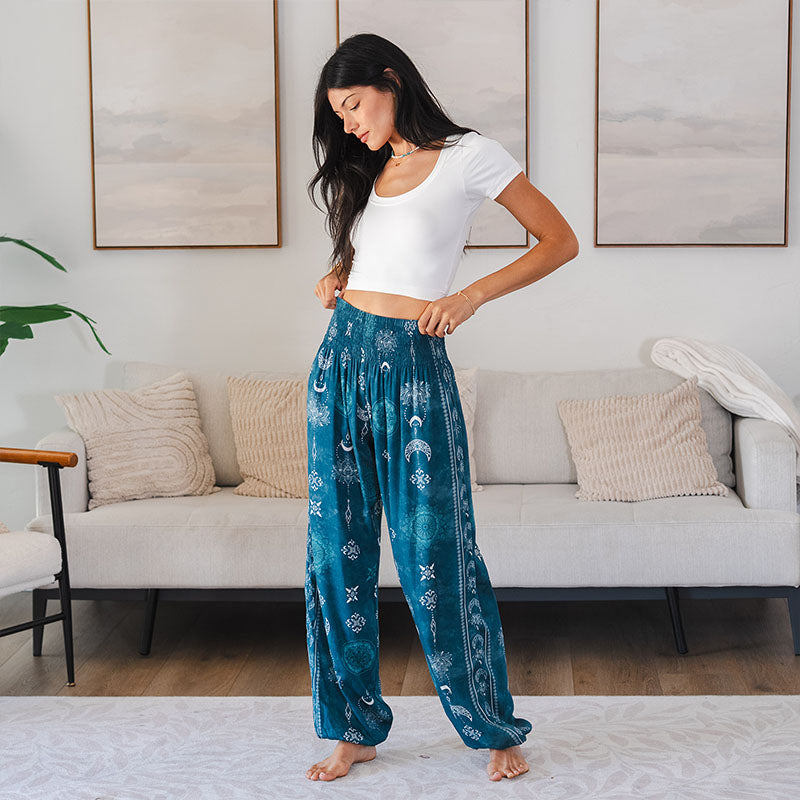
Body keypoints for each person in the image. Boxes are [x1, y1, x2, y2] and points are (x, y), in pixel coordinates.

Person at [304, 32, 579, 783]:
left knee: (437, 552)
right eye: (339, 114)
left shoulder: (469, 156)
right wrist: (337, 274)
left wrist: (469, 297)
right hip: (340, 360)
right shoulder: (369, 166)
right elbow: (378, 255)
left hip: (414, 368)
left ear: (391, 80)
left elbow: (559, 241)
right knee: (336, 552)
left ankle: (492, 726)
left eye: (354, 105)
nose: (349, 124)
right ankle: (353, 727)